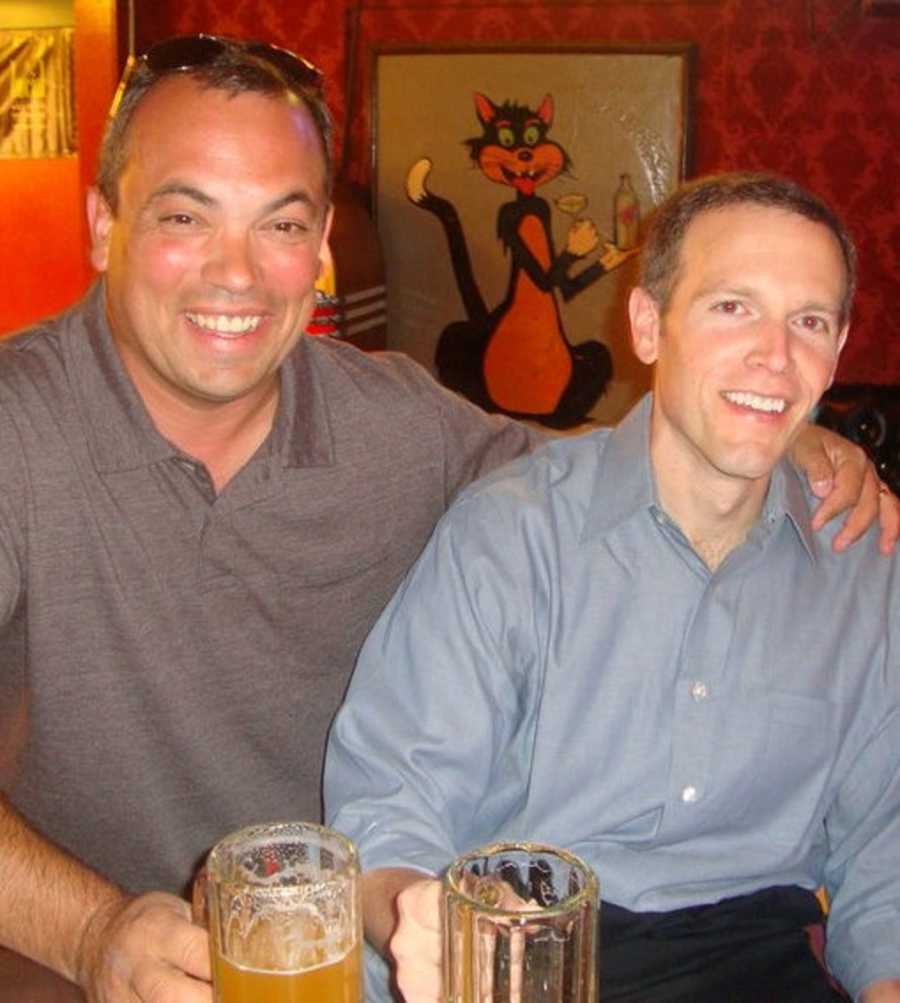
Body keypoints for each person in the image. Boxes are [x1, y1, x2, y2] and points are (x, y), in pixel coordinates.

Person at [0, 34, 892, 1003]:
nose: (238, 272)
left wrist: (783, 422)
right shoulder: (18, 426)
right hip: (76, 938)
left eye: (283, 224)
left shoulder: (399, 423)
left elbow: (620, 473)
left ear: (321, 249)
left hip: (341, 945)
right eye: (186, 214)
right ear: (103, 223)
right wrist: (90, 932)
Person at [325, 173, 900, 1003]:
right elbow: (390, 802)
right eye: (732, 307)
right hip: (529, 951)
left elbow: (882, 843)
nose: (775, 356)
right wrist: (411, 915)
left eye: (808, 320)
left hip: (757, 956)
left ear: (837, 350)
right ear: (646, 323)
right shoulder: (511, 537)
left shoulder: (863, 561)